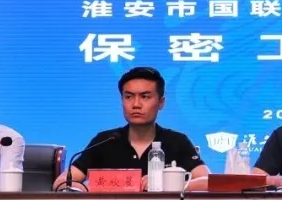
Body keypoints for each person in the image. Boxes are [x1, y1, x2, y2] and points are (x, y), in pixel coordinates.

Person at [52, 66, 210, 191]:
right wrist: (86, 189)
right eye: (128, 97)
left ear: (161, 102)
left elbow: (209, 181)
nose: (136, 104)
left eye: (145, 97)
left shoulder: (177, 141)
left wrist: (169, 183)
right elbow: (62, 182)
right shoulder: (105, 141)